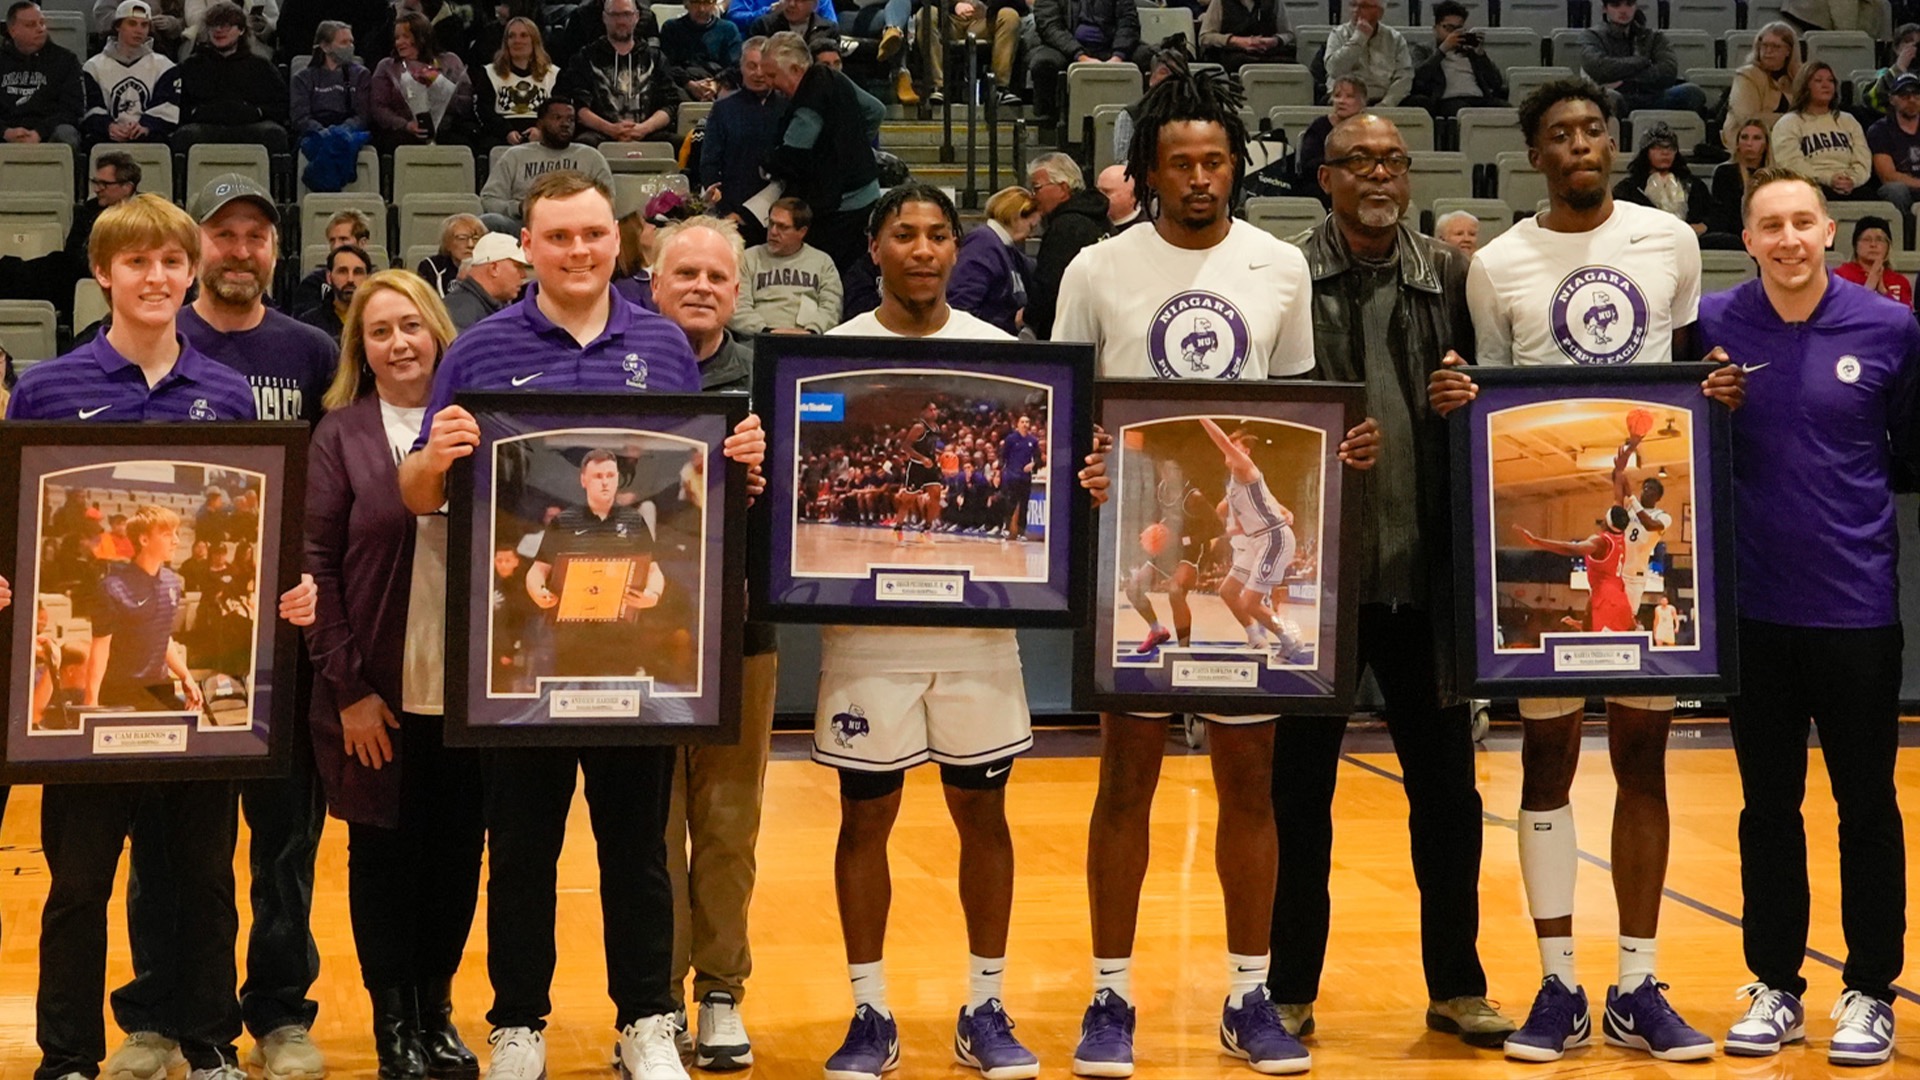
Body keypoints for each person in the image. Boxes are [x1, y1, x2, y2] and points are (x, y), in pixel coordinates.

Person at [396, 170, 765, 1080]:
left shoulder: (664, 345)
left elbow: (687, 490)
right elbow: (417, 493)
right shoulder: (479, 350)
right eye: (558, 236)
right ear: (529, 247)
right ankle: (518, 1024)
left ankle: (646, 1019)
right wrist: (435, 460)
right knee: (522, 848)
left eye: (593, 234)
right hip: (521, 653)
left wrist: (736, 465)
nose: (578, 251)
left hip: (633, 651)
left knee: (636, 848)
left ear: (618, 242)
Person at [1052, 60, 1369, 1078]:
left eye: (1215, 161)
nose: (1199, 178)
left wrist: (1338, 457)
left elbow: (1297, 417)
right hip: (1135, 532)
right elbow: (1067, 414)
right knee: (1124, 782)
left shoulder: (1278, 267)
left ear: (1236, 167)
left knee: (1250, 785)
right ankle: (1110, 996)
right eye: (1180, 162)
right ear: (1148, 170)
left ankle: (1249, 994)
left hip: (1234, 528)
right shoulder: (1095, 269)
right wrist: (1086, 462)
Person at [1425, 78, 1743, 1064]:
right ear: (1535, 155)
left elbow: (1682, 366)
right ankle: (1558, 984)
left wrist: (1714, 389)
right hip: (1564, 604)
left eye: (1592, 130)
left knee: (1645, 762)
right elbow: (1487, 394)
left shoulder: (1669, 241)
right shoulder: (1498, 266)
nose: (1579, 145)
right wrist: (1456, 397)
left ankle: (1638, 985)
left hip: (1649, 589)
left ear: (1612, 142)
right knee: (1547, 762)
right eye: (1559, 134)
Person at [8, 191, 317, 1080]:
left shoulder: (225, 392)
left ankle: (208, 1041)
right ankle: (67, 1054)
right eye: (137, 262)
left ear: (190, 273)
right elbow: (17, 525)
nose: (156, 277)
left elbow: (256, 526)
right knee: (79, 884)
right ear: (102, 273)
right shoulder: (48, 387)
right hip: (81, 707)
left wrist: (288, 587)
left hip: (188, 707)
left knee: (203, 876)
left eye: (171, 262)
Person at [1273, 110, 1511, 1048]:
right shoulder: (1286, 272)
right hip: (1318, 589)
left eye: (1392, 161)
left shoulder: (1451, 273)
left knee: (1449, 800)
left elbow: (1500, 401)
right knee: (1301, 802)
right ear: (1324, 177)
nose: (1378, 175)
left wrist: (1469, 396)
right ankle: (1287, 989)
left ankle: (1457, 987)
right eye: (1358, 161)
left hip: (1428, 577)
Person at [101, 174, 340, 1080]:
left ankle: (280, 1013)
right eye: (224, 235)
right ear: (196, 249)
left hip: (280, 632)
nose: (240, 250)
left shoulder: (312, 351)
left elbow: (334, 480)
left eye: (256, 236)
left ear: (276, 249)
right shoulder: (158, 337)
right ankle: (156, 1017)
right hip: (177, 634)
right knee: (166, 843)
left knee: (285, 843)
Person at [811, 182, 1042, 1080]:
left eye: (938, 234)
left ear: (956, 248)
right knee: (864, 819)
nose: (922, 249)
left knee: (984, 814)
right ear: (874, 247)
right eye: (903, 233)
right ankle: (869, 1012)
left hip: (977, 636)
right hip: (866, 637)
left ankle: (986, 1005)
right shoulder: (828, 357)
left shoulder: (1003, 357)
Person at [1704, 167, 1913, 1069]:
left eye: (1802, 222)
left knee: (1866, 805)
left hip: (1856, 607)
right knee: (1768, 808)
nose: (1787, 239)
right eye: (1770, 225)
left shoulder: (1891, 328)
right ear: (1748, 240)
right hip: (1753, 609)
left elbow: (1908, 452)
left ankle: (1870, 989)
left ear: (1828, 232)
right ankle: (1776, 985)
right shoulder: (1711, 326)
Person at [305, 269, 486, 1080]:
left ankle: (436, 1012)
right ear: (361, 349)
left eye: (411, 325)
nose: (399, 343)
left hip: (472, 690)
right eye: (379, 332)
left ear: (438, 331)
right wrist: (348, 690)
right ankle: (392, 1023)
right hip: (376, 687)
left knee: (457, 855)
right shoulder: (339, 435)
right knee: (384, 858)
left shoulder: (480, 423)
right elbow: (316, 568)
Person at [645, 214, 780, 1071]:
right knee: (650, 832)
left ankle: (722, 991)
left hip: (742, 631)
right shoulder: (622, 364)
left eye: (716, 276)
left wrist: (767, 473)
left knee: (730, 823)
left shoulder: (773, 378)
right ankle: (653, 1001)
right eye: (685, 273)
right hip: (637, 633)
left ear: (738, 289)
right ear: (654, 284)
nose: (701, 287)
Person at [760, 31, 884, 273]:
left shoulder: (808, 100)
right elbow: (875, 110)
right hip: (868, 195)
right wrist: (853, 145)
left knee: (831, 275)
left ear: (795, 69)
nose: (770, 84)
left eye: (773, 76)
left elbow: (792, 156)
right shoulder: (833, 76)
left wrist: (766, 162)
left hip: (839, 210)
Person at [478, 96, 613, 232]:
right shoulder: (515, 156)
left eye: (570, 119)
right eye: (557, 118)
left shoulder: (591, 157)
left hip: (576, 226)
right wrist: (520, 207)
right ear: (540, 123)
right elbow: (489, 199)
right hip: (525, 226)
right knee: (489, 221)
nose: (565, 124)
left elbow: (606, 200)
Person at [172, 1, 290, 153]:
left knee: (274, 135)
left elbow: (280, 104)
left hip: (252, 125)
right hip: (204, 125)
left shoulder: (261, 66)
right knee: (185, 136)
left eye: (227, 25)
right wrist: (197, 112)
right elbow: (177, 104)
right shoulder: (191, 66)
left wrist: (257, 112)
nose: (219, 30)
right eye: (214, 25)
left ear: (241, 30)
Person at [698, 35, 783, 245]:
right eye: (752, 66)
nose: (758, 73)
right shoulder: (723, 109)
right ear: (741, 67)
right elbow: (709, 162)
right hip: (731, 214)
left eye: (764, 66)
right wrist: (722, 205)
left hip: (779, 212)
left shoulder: (788, 106)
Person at [563, 0, 680, 148]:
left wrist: (644, 129)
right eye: (614, 15)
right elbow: (579, 107)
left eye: (626, 14)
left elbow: (670, 105)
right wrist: (610, 129)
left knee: (683, 145)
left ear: (636, 17)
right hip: (600, 133)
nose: (621, 21)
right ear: (604, 17)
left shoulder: (655, 58)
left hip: (647, 132)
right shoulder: (585, 58)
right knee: (582, 146)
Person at [1024, 151, 1110, 340]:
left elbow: (1049, 286)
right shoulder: (1102, 220)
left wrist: (1028, 316)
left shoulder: (1066, 228)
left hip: (1070, 334)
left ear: (1063, 189)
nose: (1033, 196)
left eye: (1037, 188)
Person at [1028, 0, 1146, 127]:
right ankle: (1048, 128)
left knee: (1147, 57)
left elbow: (1129, 23)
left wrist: (1118, 56)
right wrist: (1080, 56)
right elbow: (1051, 27)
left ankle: (1145, 121)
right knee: (1044, 63)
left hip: (1111, 48)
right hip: (1065, 50)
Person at [1577, 0, 1706, 117]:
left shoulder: (1654, 37)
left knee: (1692, 93)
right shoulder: (1592, 36)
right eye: (1616, 5)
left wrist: (1625, 82)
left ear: (1635, 6)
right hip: (1619, 98)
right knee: (1610, 99)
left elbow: (1668, 72)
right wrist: (1643, 61)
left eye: (1629, 4)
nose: (1623, 10)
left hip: (1653, 96)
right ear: (1605, 8)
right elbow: (1599, 68)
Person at [733, 196, 842, 334]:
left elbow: (832, 307)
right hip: (757, 339)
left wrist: (812, 332)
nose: (773, 232)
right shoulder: (748, 259)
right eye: (771, 223)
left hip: (808, 339)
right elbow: (736, 307)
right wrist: (766, 332)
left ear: (802, 232)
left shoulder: (822, 262)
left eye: (782, 227)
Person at [370, 10, 474, 151]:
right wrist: (406, 125)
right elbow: (379, 107)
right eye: (397, 38)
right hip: (403, 133)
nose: (399, 42)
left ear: (422, 37)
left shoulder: (450, 61)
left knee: (464, 145)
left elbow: (465, 103)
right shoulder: (387, 66)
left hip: (446, 130)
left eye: (405, 36)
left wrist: (438, 83)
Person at [81, 1, 180, 148]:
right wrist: (109, 126)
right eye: (132, 23)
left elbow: (166, 108)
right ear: (117, 26)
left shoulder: (165, 66)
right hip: (105, 138)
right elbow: (91, 107)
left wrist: (146, 126)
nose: (139, 30)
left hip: (149, 139)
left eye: (144, 25)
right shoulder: (93, 66)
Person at [1770, 61, 1872, 201]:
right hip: (1810, 185)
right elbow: (1791, 164)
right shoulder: (1788, 123)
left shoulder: (1848, 120)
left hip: (1850, 185)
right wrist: (1828, 179)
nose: (1826, 85)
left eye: (1830, 81)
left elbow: (1863, 159)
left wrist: (1852, 180)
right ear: (1804, 86)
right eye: (1818, 81)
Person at [948, 186, 1036, 337]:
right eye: (1031, 226)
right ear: (1016, 217)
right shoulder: (982, 244)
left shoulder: (1008, 250)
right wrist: (1009, 323)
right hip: (978, 343)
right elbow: (961, 306)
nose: (1031, 234)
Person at [1, 1, 83, 150]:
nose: (40, 29)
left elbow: (72, 109)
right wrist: (5, 132)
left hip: (49, 133)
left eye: (42, 23)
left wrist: (39, 133)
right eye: (31, 25)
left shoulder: (66, 60)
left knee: (67, 133)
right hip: (6, 132)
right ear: (13, 30)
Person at [1612, 122, 1714, 241]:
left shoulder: (1694, 186)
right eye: (1658, 147)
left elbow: (1713, 215)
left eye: (1670, 148)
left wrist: (1703, 226)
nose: (1665, 152)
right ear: (1646, 152)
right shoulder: (1627, 190)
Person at [913, 0, 1021, 107]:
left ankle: (999, 88)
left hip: (985, 19)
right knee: (926, 14)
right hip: (948, 20)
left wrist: (988, 7)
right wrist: (954, 6)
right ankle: (938, 87)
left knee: (1009, 16)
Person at [1410, 0, 1506, 116]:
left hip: (1480, 98)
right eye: (1449, 28)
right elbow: (1418, 78)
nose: (1454, 34)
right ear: (1436, 29)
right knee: (1464, 112)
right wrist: (1443, 49)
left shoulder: (1471, 52)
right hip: (1449, 101)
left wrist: (1481, 55)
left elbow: (1496, 83)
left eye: (1458, 29)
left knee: (1509, 111)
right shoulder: (1423, 50)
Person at [475, 15, 554, 149]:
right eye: (511, 36)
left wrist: (541, 130)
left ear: (534, 41)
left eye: (524, 35)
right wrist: (506, 132)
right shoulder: (490, 73)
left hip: (542, 135)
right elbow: (484, 110)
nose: (517, 41)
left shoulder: (553, 74)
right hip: (500, 136)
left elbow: (559, 112)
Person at [63, 152, 141, 276]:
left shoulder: (150, 212)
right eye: (95, 182)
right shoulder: (88, 210)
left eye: (104, 184)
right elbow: (73, 255)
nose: (96, 189)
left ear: (127, 187)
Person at [1724, 21, 1799, 151]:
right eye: (1764, 45)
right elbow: (1747, 119)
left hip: (1786, 142)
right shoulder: (1747, 75)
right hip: (1746, 143)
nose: (1768, 51)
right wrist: (1790, 120)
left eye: (1775, 46)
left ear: (1788, 51)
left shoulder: (1798, 77)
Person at [290, 20, 371, 140]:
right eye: (344, 43)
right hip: (314, 136)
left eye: (351, 42)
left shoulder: (361, 75)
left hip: (350, 135)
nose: (350, 47)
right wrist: (322, 132)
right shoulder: (302, 78)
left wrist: (342, 131)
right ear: (325, 46)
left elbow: (363, 115)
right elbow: (300, 117)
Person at [1324, 0, 1412, 106]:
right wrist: (1359, 39)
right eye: (1353, 5)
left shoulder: (1395, 39)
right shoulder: (1338, 34)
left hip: (1383, 100)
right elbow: (1334, 70)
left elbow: (1404, 77)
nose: (1356, 10)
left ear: (1380, 12)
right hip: (1345, 100)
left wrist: (1386, 104)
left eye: (1364, 6)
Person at [291, 208, 371, 318]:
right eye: (332, 240)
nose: (336, 246)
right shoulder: (312, 284)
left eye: (343, 239)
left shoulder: (379, 284)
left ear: (362, 243)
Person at [1298, 75, 1366, 202]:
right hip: (1323, 186)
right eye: (1337, 96)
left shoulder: (1370, 129)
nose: (1341, 101)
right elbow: (1309, 166)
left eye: (1349, 96)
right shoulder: (1319, 126)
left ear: (1362, 102)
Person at [442, 230, 528, 330]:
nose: (524, 275)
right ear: (494, 268)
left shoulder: (485, 306)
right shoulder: (460, 314)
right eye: (518, 266)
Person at [661, 0, 741, 103]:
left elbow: (735, 66)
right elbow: (666, 65)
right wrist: (689, 84)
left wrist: (715, 84)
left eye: (707, 3)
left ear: (714, 4)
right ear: (686, 4)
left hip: (719, 84)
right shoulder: (671, 28)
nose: (701, 9)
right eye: (696, 2)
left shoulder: (728, 29)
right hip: (681, 84)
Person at [1709, 117, 1772, 238]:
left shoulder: (1774, 177)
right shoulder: (1724, 173)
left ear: (1766, 145)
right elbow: (1722, 216)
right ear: (1738, 143)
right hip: (1733, 237)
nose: (1749, 143)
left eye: (1756, 138)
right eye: (1744, 137)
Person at [1869, 72, 1920, 215]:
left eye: (1916, 94)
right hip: (1903, 189)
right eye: (1904, 95)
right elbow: (1888, 176)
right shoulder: (1880, 130)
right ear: (1892, 99)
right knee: (1895, 190)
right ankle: (1906, 229)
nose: (1911, 100)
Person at [1834, 214, 1912, 305]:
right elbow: (1839, 311)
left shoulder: (1899, 281)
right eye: (1866, 239)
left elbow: (1905, 313)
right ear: (1856, 246)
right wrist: (1868, 288)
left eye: (1879, 239)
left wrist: (1883, 292)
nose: (1873, 244)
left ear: (1888, 246)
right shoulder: (1840, 277)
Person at [299, 244, 370, 342]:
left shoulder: (380, 318)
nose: (350, 279)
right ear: (329, 277)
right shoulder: (309, 324)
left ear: (368, 278)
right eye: (342, 271)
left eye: (358, 272)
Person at [1199, 0, 1293, 72]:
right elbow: (1205, 37)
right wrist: (1236, 41)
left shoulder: (1275, 2)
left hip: (1268, 55)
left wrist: (1275, 40)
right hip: (1233, 56)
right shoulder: (1221, 2)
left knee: (1289, 65)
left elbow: (1288, 34)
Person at [417, 213, 484, 297]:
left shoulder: (491, 267)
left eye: (475, 239)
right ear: (447, 243)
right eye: (462, 238)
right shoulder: (432, 268)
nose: (470, 245)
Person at [1862, 21, 1920, 114]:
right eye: (1908, 41)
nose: (1914, 46)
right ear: (1897, 48)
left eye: (1918, 43)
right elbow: (1870, 100)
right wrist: (1899, 69)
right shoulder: (1885, 73)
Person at [1095, 163, 1140, 227]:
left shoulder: (1148, 230)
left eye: (1106, 192)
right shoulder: (1089, 224)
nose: (1099, 196)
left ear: (1133, 195)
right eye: (1098, 191)